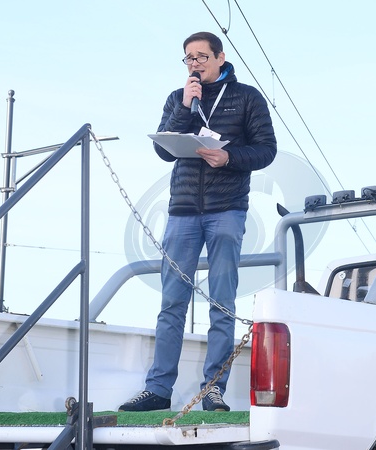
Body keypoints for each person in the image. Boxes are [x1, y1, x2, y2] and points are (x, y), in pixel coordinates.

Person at [118, 31, 277, 412]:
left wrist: (229, 158)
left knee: (221, 302)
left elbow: (266, 150)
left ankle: (213, 390)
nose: (194, 64)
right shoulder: (179, 97)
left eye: (202, 57)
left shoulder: (247, 98)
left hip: (227, 210)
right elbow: (163, 150)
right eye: (189, 58)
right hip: (183, 212)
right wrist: (185, 105)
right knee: (172, 302)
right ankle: (158, 389)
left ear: (220, 58)